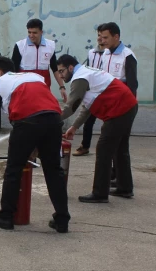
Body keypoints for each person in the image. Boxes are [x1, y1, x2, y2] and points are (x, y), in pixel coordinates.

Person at [0, 57, 70, 233]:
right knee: (53, 170)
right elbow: (41, 107)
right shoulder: (34, 77)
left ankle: (5, 216)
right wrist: (35, 146)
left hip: (27, 123)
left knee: (13, 170)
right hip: (54, 120)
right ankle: (62, 219)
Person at [57, 54, 138, 203]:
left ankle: (100, 193)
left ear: (70, 67)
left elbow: (71, 106)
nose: (61, 76)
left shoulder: (79, 79)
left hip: (119, 110)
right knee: (120, 149)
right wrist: (75, 127)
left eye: (62, 71)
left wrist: (51, 120)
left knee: (104, 150)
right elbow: (87, 106)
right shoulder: (86, 73)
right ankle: (124, 188)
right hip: (128, 105)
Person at [11, 18, 68, 102]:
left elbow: (55, 69)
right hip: (24, 88)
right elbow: (13, 69)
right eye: (29, 32)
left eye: (34, 32)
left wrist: (62, 87)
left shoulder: (50, 45)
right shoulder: (19, 46)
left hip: (43, 88)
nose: (31, 35)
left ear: (41, 32)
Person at [74, 27, 106, 156]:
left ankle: (105, 148)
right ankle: (85, 146)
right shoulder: (92, 52)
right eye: (98, 35)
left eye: (103, 36)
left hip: (105, 90)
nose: (100, 38)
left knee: (107, 123)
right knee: (88, 120)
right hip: (93, 90)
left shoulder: (111, 54)